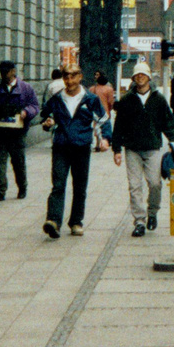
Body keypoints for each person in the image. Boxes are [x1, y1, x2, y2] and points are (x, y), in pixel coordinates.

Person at [39, 65, 105, 238]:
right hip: (61, 146)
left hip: (82, 147)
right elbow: (45, 116)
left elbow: (102, 119)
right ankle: (53, 221)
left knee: (80, 186)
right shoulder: (56, 99)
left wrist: (105, 138)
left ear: (80, 77)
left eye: (73, 76)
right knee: (58, 184)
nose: (69, 81)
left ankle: (76, 222)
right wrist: (47, 124)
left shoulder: (90, 99)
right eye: (66, 77)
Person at [111, 61, 174, 237]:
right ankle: (139, 220)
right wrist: (116, 149)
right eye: (137, 75)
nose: (140, 77)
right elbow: (119, 126)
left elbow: (168, 122)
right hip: (132, 148)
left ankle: (152, 212)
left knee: (155, 183)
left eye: (143, 75)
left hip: (153, 147)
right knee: (134, 185)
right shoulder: (126, 100)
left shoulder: (158, 99)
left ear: (148, 77)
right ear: (133, 78)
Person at [0, 61, 38, 201]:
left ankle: (22, 187)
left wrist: (26, 112)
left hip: (17, 132)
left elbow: (34, 106)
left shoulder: (26, 88)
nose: (3, 74)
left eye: (6, 71)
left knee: (18, 161)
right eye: (1, 72)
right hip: (0, 132)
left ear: (13, 71)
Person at [89, 71, 116, 153]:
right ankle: (103, 143)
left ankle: (97, 144)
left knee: (96, 126)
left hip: (94, 111)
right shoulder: (109, 89)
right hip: (105, 110)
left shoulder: (92, 89)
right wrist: (110, 109)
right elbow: (111, 102)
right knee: (104, 127)